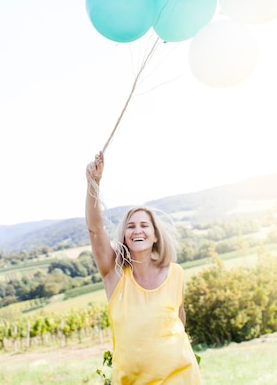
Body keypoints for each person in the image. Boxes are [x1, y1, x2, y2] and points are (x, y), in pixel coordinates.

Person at [85, 151, 202, 385]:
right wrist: (93, 184)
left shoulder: (175, 273)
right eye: (131, 226)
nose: (137, 230)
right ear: (125, 236)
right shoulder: (114, 274)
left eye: (144, 225)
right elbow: (96, 230)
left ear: (155, 235)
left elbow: (179, 319)